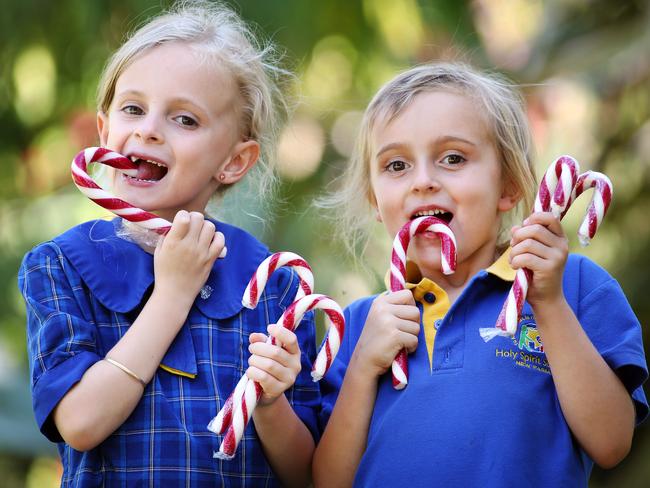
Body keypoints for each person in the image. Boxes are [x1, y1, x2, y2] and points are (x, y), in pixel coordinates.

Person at [18, 1, 319, 486]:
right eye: (133, 109)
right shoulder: (60, 267)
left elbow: (307, 474)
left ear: (235, 161)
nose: (149, 129)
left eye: (185, 119)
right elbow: (79, 424)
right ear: (104, 131)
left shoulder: (274, 283)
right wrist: (173, 294)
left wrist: (271, 400)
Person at [313, 62, 648, 487]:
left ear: (507, 185)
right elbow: (326, 481)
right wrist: (362, 366)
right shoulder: (357, 326)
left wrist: (549, 304)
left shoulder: (573, 285)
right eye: (396, 165)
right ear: (375, 202)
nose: (423, 181)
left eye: (453, 158)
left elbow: (612, 443)